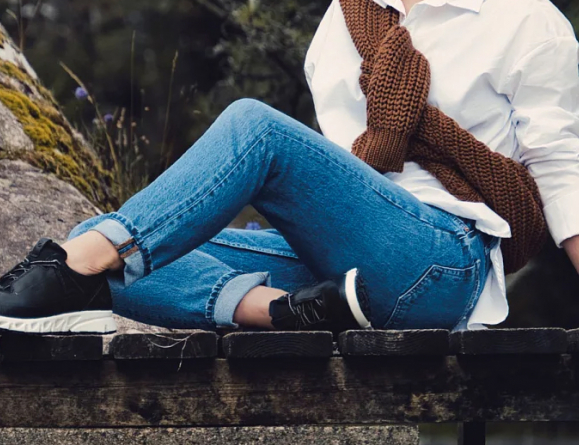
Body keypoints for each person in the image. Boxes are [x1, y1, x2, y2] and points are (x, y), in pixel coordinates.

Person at [1, 0, 578, 335]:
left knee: (256, 129)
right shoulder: (341, 24)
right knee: (107, 249)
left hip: (445, 262)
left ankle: (62, 270)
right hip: (345, 274)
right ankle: (286, 313)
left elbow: (562, 167)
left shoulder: (524, 19)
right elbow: (343, 179)